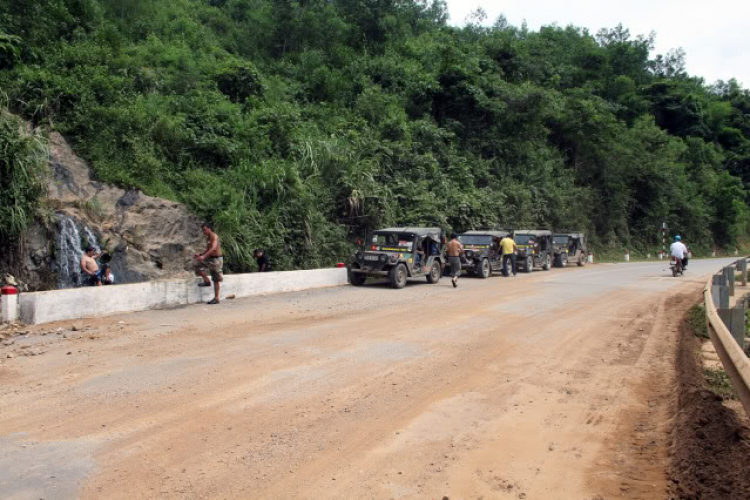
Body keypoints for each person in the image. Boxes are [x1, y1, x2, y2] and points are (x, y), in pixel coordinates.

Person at [194, 222, 223, 304]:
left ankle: (216, 298)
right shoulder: (208, 238)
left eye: (205, 230)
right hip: (210, 258)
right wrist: (200, 254)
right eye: (203, 230)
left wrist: (203, 257)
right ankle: (207, 281)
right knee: (197, 266)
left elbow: (213, 248)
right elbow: (208, 249)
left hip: (216, 260)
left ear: (209, 228)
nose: (204, 232)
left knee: (216, 279)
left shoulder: (214, 236)